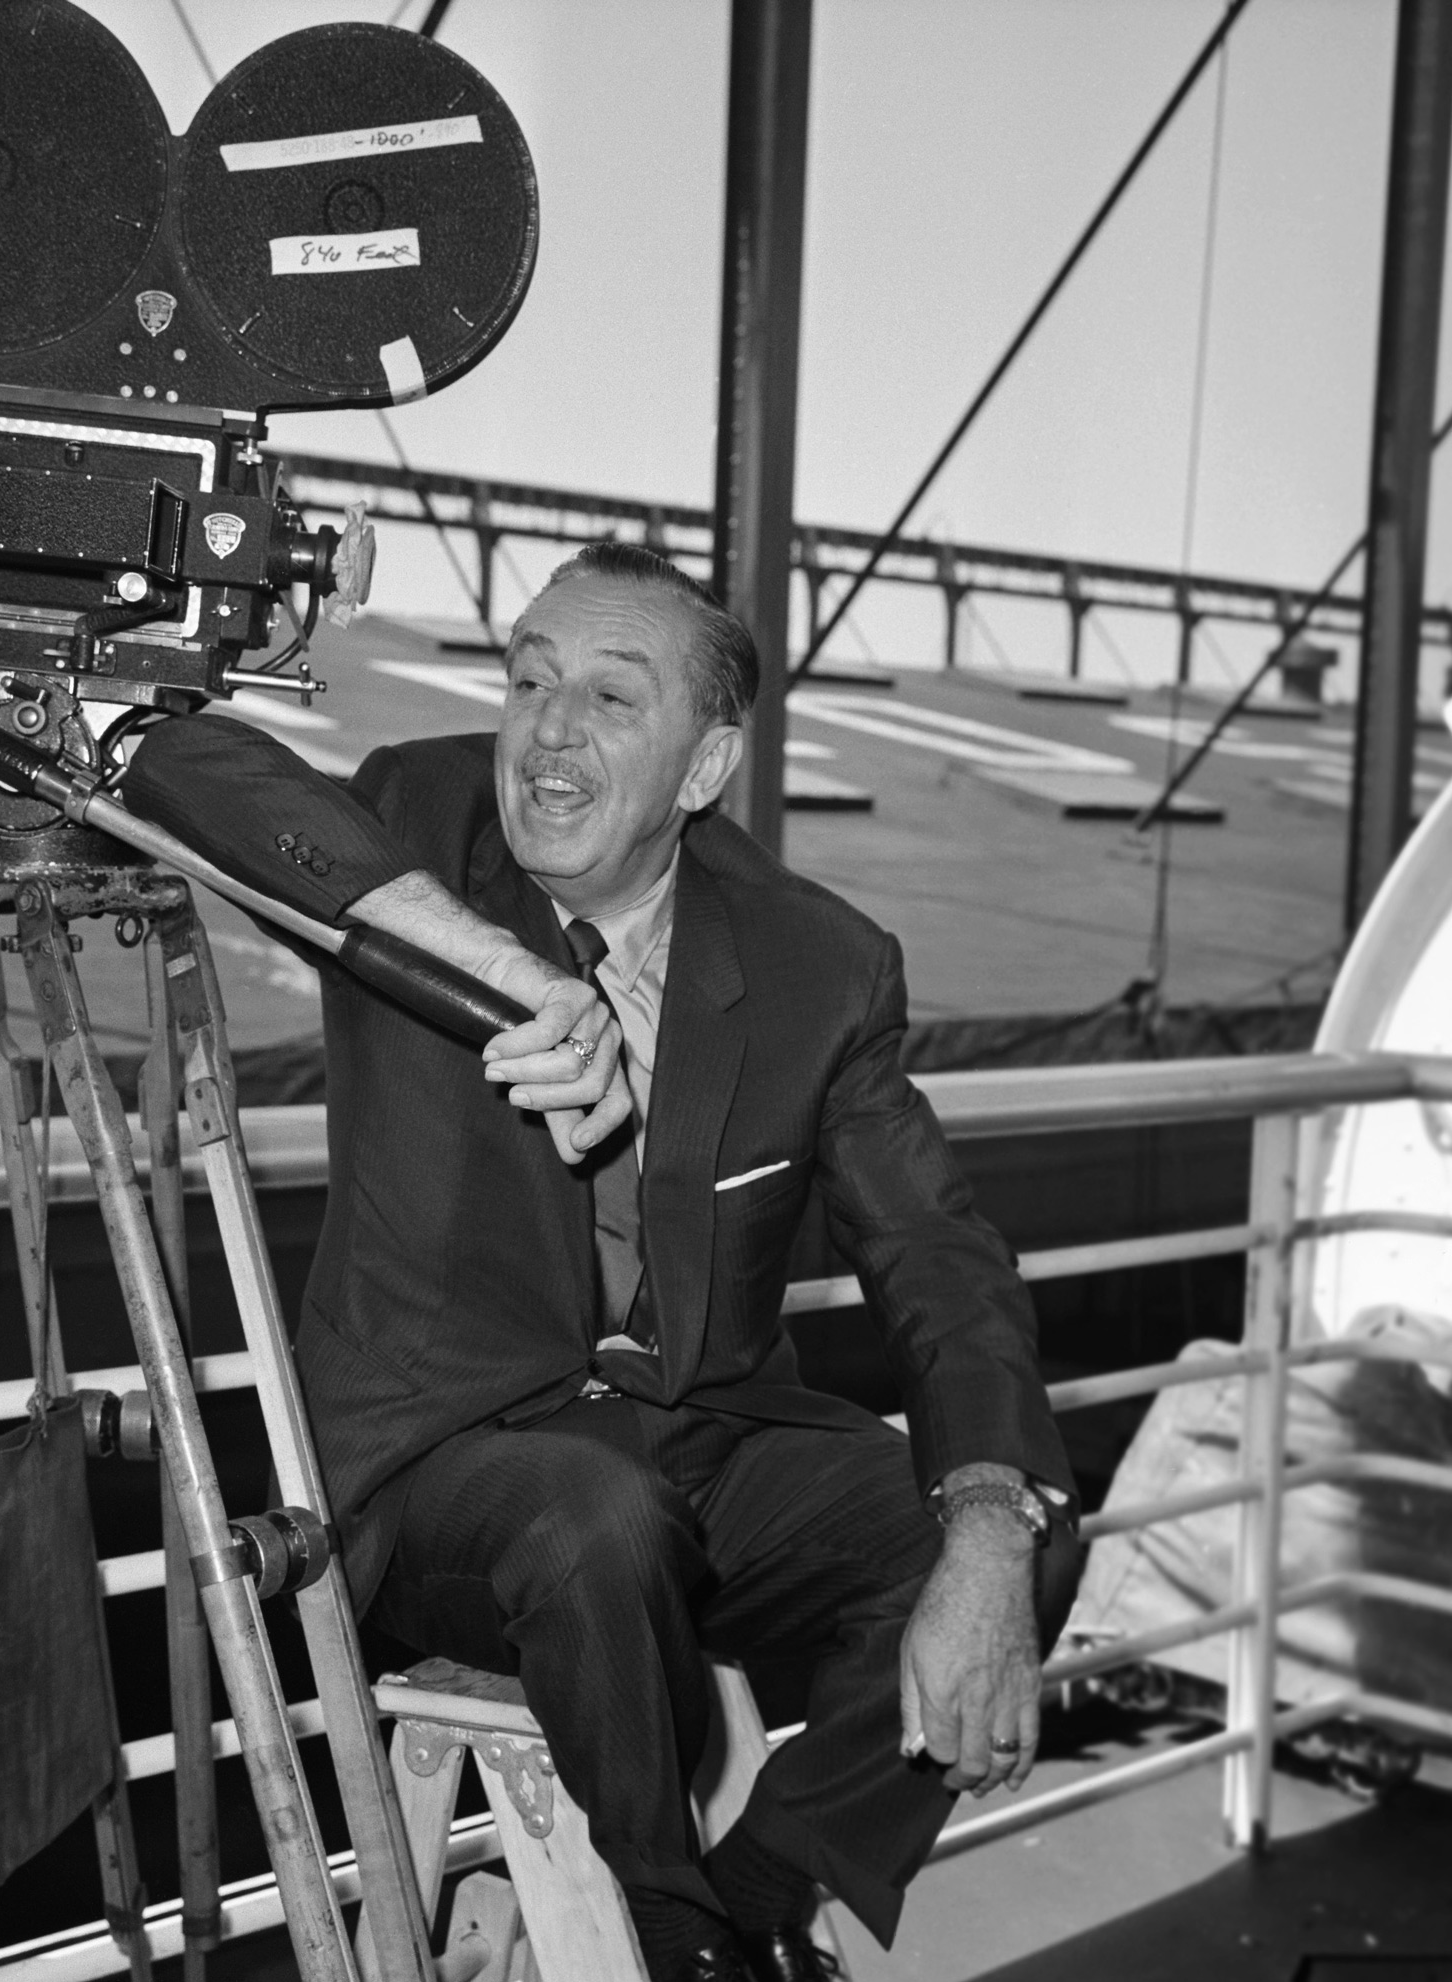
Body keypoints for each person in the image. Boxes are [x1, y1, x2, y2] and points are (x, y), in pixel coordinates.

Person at [122, 543, 1078, 1982]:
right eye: (530, 681)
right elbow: (176, 761)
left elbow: (935, 1252)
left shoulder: (818, 963)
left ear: (706, 767)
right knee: (593, 1516)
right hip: (439, 1460)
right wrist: (503, 971)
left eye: (612, 699)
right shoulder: (416, 815)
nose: (550, 733)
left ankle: (762, 1883)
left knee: (1007, 1530)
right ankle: (672, 1929)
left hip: (698, 1437)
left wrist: (992, 1523)